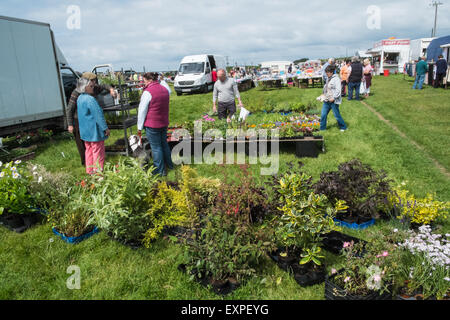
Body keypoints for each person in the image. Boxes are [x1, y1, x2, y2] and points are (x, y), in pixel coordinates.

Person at [66, 72, 116, 167]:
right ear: (86, 82)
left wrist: (111, 90)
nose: (94, 84)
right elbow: (69, 109)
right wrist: (70, 124)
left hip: (88, 118)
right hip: (79, 119)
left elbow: (104, 85)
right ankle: (88, 164)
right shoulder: (77, 93)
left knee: (88, 145)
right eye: (92, 82)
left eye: (94, 81)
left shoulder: (89, 90)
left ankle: (90, 168)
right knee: (84, 145)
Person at [137, 72, 173, 177]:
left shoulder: (148, 92)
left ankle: (160, 171)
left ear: (149, 80)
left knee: (156, 147)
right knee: (164, 145)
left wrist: (139, 127)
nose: (144, 83)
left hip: (152, 124)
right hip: (163, 121)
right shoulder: (165, 89)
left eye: (144, 81)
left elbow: (142, 110)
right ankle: (169, 165)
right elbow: (169, 91)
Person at [76, 78, 110, 175]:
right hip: (94, 130)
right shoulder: (90, 99)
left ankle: (90, 171)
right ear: (85, 87)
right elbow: (98, 115)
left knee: (89, 151)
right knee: (98, 152)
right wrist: (105, 128)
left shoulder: (79, 98)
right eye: (91, 86)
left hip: (85, 130)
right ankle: (98, 173)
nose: (93, 88)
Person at [320, 65, 347, 132]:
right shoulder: (327, 78)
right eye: (326, 72)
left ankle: (343, 127)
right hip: (327, 100)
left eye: (328, 72)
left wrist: (334, 98)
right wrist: (323, 94)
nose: (326, 73)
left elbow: (338, 90)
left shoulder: (336, 79)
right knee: (323, 114)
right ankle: (322, 129)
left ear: (332, 72)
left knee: (336, 115)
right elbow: (326, 88)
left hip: (333, 101)